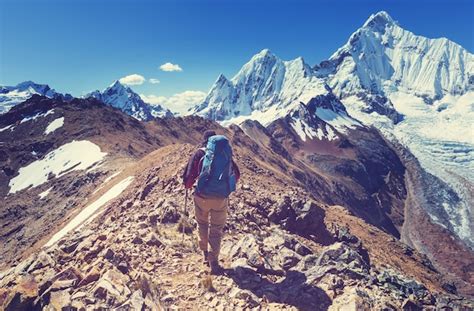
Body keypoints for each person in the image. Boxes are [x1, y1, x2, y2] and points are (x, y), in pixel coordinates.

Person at [182, 130, 240, 274]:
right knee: (216, 229)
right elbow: (236, 174)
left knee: (202, 224)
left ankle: (204, 254)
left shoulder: (199, 154)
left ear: (205, 141)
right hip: (221, 198)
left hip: (202, 197)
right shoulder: (225, 154)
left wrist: (190, 185)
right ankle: (214, 262)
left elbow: (188, 179)